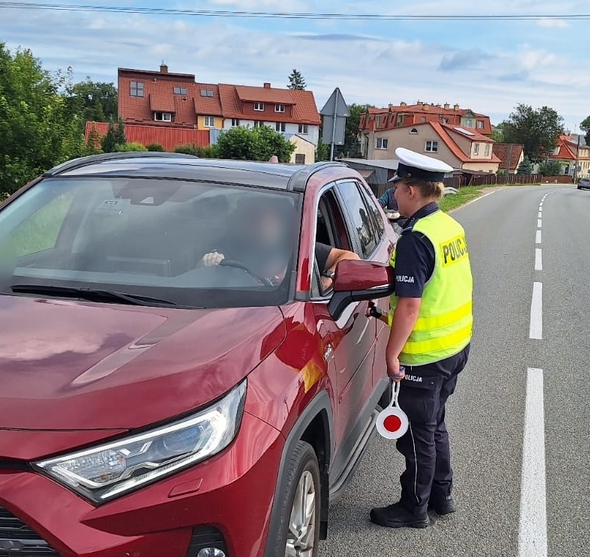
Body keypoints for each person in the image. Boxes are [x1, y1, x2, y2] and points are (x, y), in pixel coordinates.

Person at [370, 149, 473, 530]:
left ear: (412, 190)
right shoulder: (449, 226)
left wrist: (392, 354)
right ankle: (441, 496)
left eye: (397, 187)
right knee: (434, 425)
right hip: (454, 347)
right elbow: (438, 291)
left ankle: (414, 507)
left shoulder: (415, 238)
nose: (394, 194)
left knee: (416, 435)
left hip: (425, 356)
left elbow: (411, 305)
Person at [201, 195, 356, 288]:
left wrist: (328, 277)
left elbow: (350, 257)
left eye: (266, 220)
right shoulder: (232, 247)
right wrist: (206, 265)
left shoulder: (299, 247)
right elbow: (199, 276)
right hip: (243, 315)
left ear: (282, 222)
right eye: (253, 219)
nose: (260, 226)